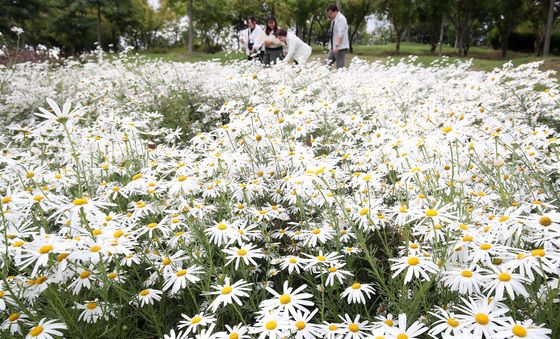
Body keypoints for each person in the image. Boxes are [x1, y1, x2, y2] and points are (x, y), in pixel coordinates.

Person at [326, 4, 349, 69]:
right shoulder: (334, 19)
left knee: (340, 67)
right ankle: (327, 77)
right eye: (329, 14)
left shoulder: (341, 19)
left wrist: (337, 46)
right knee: (327, 63)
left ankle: (341, 78)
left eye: (331, 13)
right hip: (333, 46)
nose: (329, 15)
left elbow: (340, 34)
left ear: (335, 11)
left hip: (339, 47)